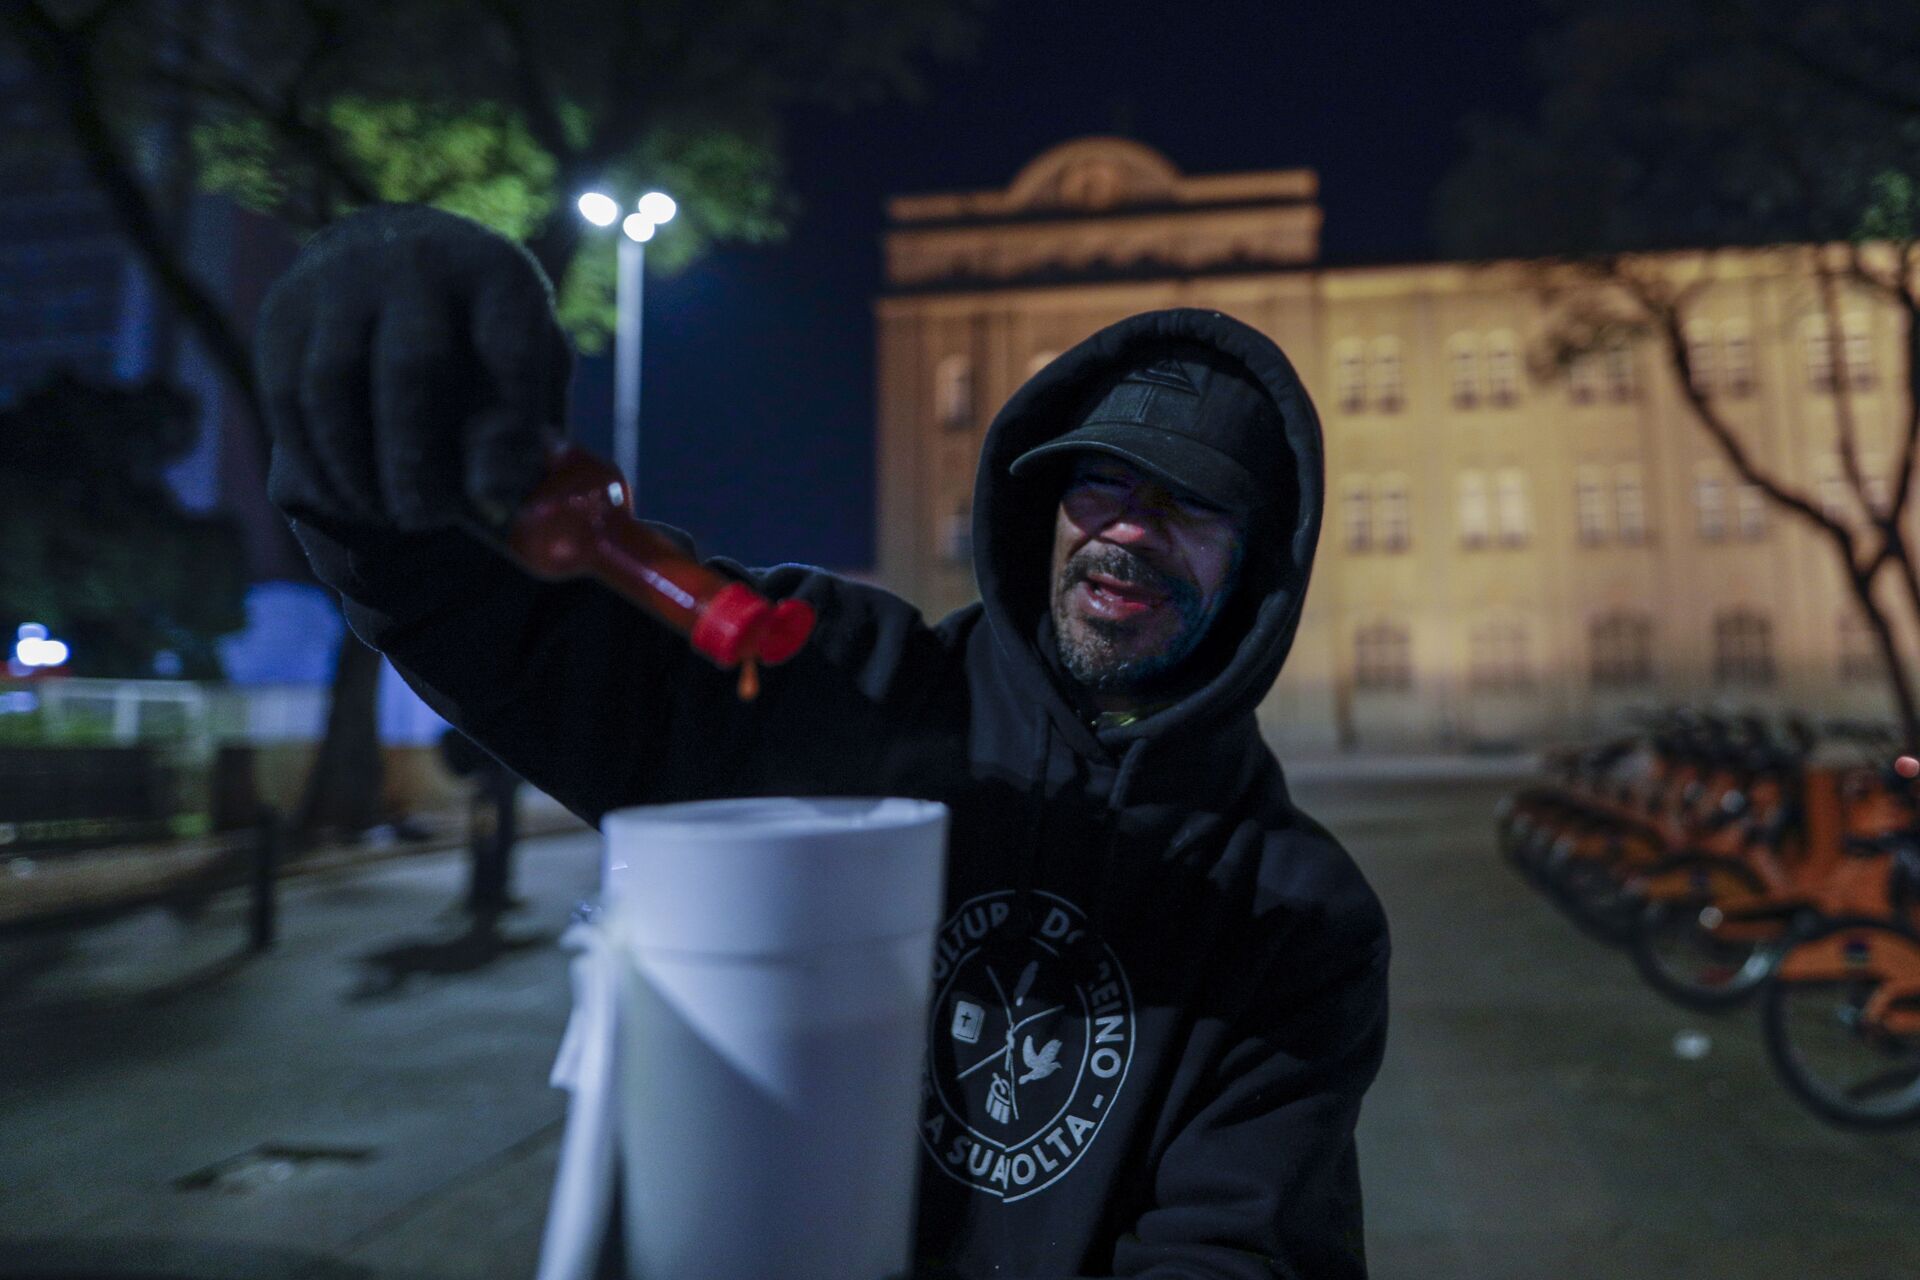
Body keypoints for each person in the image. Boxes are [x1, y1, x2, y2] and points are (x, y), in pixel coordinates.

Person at [257, 203, 1390, 1279]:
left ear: (1260, 570)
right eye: (1102, 481)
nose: (1129, 529)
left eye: (1192, 505)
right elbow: (543, 638)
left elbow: (1239, 1246)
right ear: (1042, 500)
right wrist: (387, 437)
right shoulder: (855, 688)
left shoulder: (1292, 914)